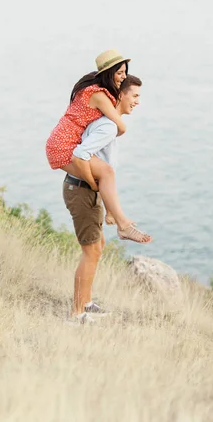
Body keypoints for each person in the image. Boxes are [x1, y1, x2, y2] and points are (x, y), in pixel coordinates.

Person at [63, 75, 149, 322]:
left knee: (97, 248)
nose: (137, 102)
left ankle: (86, 303)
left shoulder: (109, 124)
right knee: (90, 251)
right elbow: (81, 155)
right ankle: (77, 314)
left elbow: (101, 169)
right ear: (120, 95)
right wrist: (92, 184)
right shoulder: (108, 126)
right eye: (134, 96)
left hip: (87, 190)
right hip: (80, 189)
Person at [46, 49, 149, 243]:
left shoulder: (96, 90)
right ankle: (123, 225)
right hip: (62, 145)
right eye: (120, 73)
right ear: (109, 73)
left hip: (61, 142)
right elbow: (119, 125)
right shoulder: (99, 95)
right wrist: (93, 184)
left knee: (106, 170)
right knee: (107, 172)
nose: (123, 77)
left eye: (125, 72)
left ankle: (115, 217)